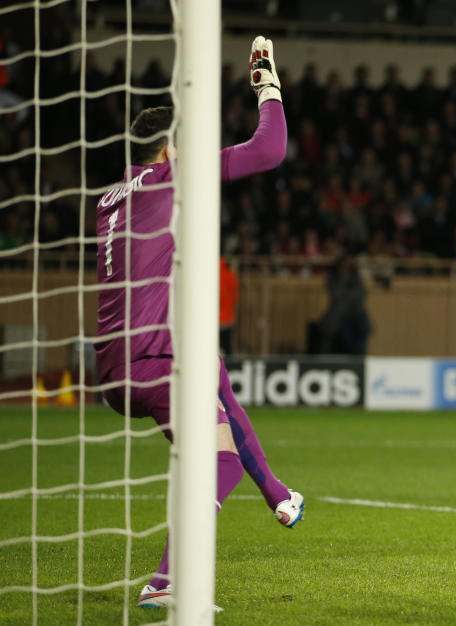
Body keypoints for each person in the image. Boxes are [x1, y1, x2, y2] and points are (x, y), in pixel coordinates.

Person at [95, 37, 303, 610]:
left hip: (116, 369)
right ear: (168, 148)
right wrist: (268, 86)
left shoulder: (109, 199)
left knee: (214, 394)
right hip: (154, 365)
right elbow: (269, 151)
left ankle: (275, 496)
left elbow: (224, 397)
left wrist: (276, 494)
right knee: (218, 461)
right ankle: (168, 582)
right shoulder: (171, 179)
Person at [219, 256, 240, 355]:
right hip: (227, 317)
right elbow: (235, 296)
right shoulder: (230, 274)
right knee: (227, 346)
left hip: (211, 320)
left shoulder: (208, 274)